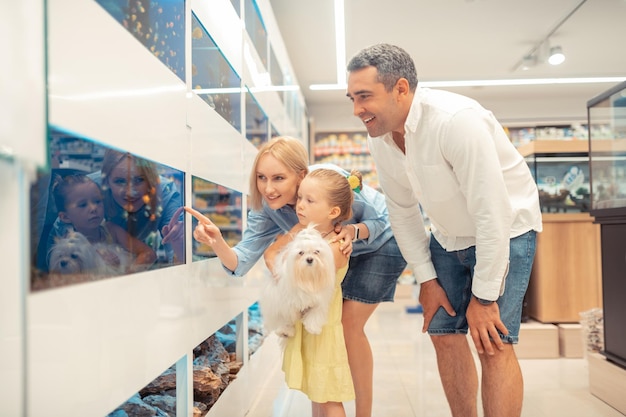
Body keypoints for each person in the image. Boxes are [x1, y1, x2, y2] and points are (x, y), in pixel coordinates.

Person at [346, 43, 543, 417]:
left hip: (507, 230)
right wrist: (426, 280)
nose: (357, 110)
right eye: (352, 98)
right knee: (443, 334)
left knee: (492, 342)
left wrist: (484, 300)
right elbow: (402, 212)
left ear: (400, 88)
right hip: (448, 235)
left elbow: (492, 214)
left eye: (365, 96)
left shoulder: (456, 121)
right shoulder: (380, 137)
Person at [185, 136, 407, 417]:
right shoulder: (267, 209)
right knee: (328, 329)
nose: (268, 188)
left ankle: (363, 413)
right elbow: (241, 261)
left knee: (348, 325)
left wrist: (353, 231)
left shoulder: (328, 182)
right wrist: (216, 241)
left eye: (278, 178)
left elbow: (383, 220)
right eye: (261, 177)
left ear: (301, 175)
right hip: (333, 256)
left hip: (380, 243)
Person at [263, 168, 359, 417]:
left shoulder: (336, 246)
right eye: (300, 198)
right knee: (316, 394)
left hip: (322, 327)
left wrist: (287, 273)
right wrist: (280, 274)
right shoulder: (302, 230)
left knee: (328, 397)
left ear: (333, 212)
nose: (300, 206)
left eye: (309, 200)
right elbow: (271, 253)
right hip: (305, 325)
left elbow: (309, 287)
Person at [49, 174, 156, 273]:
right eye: (83, 205)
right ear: (65, 217)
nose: (93, 208)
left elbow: (148, 254)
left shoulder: (111, 230)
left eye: (97, 201)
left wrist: (126, 274)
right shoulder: (67, 247)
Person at [97, 149, 185, 264]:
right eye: (119, 181)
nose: (130, 192)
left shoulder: (165, 193)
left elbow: (178, 259)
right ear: (106, 182)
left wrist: (179, 244)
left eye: (139, 180)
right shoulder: (91, 189)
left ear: (151, 180)